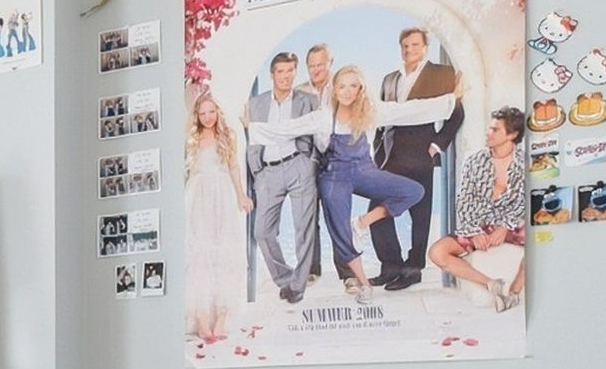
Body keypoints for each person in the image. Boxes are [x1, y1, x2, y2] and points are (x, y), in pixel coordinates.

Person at [315, 67, 425, 302]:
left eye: (353, 85)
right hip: (334, 174)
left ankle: (362, 223)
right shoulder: (324, 116)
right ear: (334, 90)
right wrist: (252, 127)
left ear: (361, 89)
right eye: (342, 86)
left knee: (414, 191)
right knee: (340, 232)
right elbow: (293, 130)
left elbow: (411, 110)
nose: (347, 91)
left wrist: (450, 100)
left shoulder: (371, 112)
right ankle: (363, 284)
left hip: (364, 169)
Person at [369, 25, 463, 287]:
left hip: (420, 153)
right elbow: (381, 119)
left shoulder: (440, 73)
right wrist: (377, 150)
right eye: (405, 45)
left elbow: (456, 113)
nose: (409, 50)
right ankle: (391, 265)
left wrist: (436, 145)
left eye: (415, 45)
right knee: (376, 210)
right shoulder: (390, 79)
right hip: (390, 156)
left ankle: (413, 269)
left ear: (425, 47)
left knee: (420, 215)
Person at [241, 50, 328, 303]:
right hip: (267, 172)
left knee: (304, 230)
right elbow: (249, 138)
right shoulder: (255, 103)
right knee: (262, 232)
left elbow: (319, 133)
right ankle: (285, 278)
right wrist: (257, 172)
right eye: (281, 71)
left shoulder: (308, 100)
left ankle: (298, 287)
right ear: (272, 74)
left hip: (299, 165)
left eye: (290, 71)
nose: (286, 76)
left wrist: (311, 162)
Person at [430, 106, 532, 310]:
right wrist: (474, 231)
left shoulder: (525, 163)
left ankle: (513, 293)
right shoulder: (474, 161)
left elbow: (524, 201)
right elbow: (464, 200)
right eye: (489, 128)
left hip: (513, 224)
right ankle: (491, 284)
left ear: (512, 135)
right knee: (437, 252)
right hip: (481, 224)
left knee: (543, 243)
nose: (488, 133)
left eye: (495, 130)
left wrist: (506, 226)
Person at [178, 85, 249, 345]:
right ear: (196, 116)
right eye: (202, 113)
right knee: (200, 253)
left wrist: (241, 195)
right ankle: (201, 316)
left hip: (222, 194)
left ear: (218, 112)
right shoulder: (191, 136)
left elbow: (234, 166)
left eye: (211, 112)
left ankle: (222, 316)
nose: (208, 117)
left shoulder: (227, 135)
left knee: (224, 253)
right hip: (198, 195)